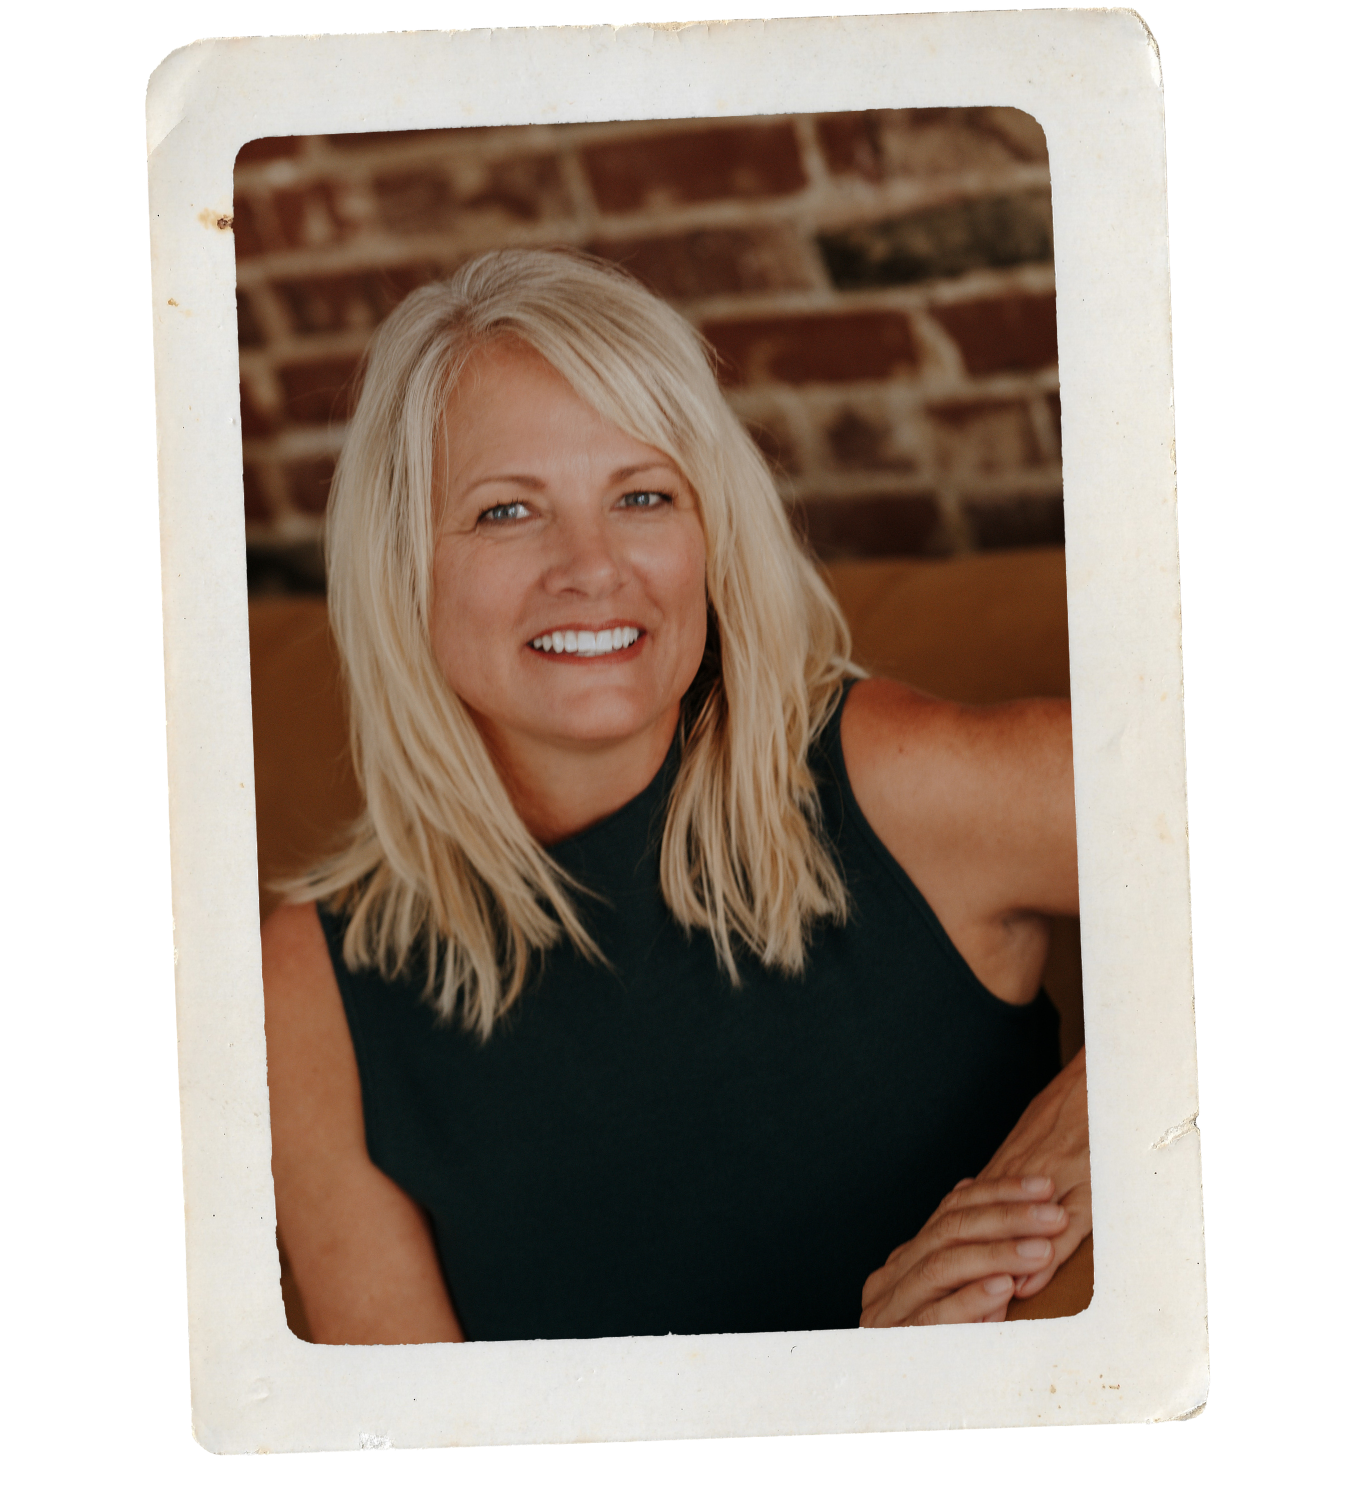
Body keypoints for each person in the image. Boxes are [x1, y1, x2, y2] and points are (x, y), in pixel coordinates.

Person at [261, 249, 1090, 1347]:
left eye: (643, 494)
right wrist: (852, 1387)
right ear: (401, 565)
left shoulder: (888, 785)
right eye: (508, 511)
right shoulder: (306, 989)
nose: (591, 564)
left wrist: (1094, 1124)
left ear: (710, 533)